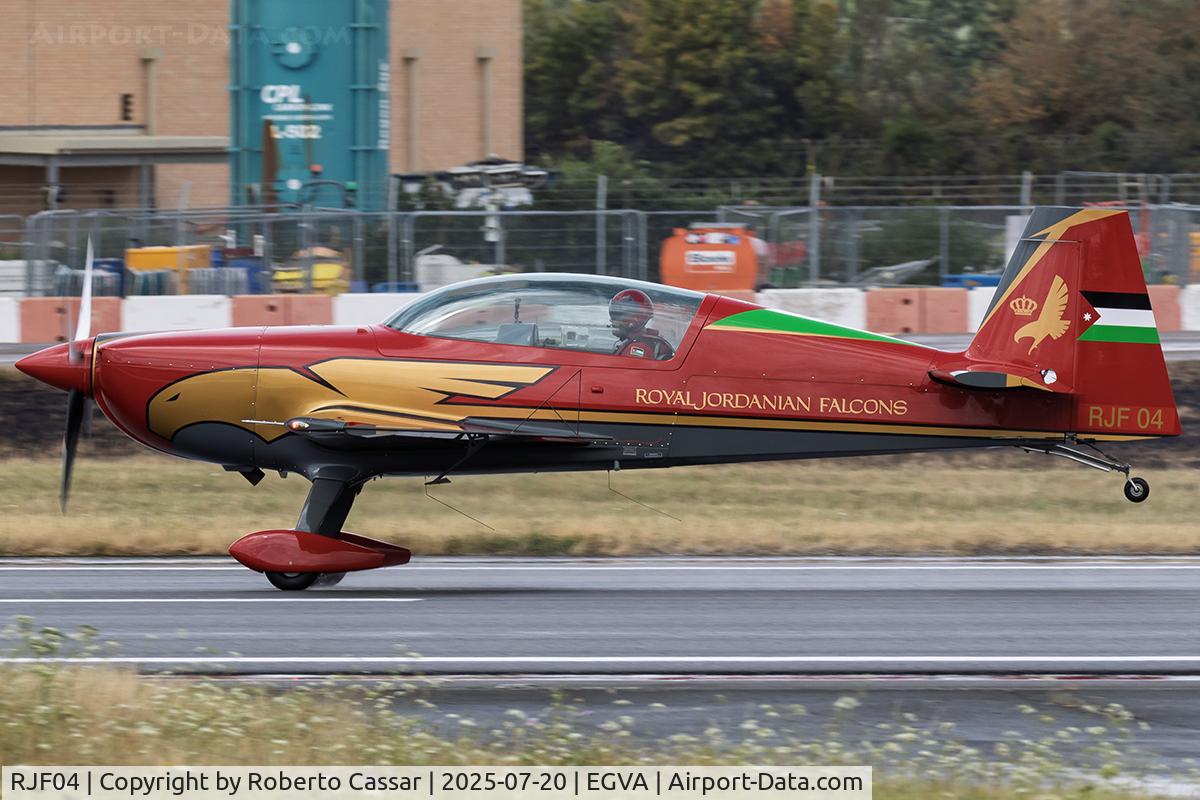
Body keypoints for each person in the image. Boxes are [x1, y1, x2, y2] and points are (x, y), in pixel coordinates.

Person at [609, 288, 674, 359]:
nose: (611, 320)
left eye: (617, 315)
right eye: (612, 314)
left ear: (635, 319)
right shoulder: (648, 341)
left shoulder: (637, 348)